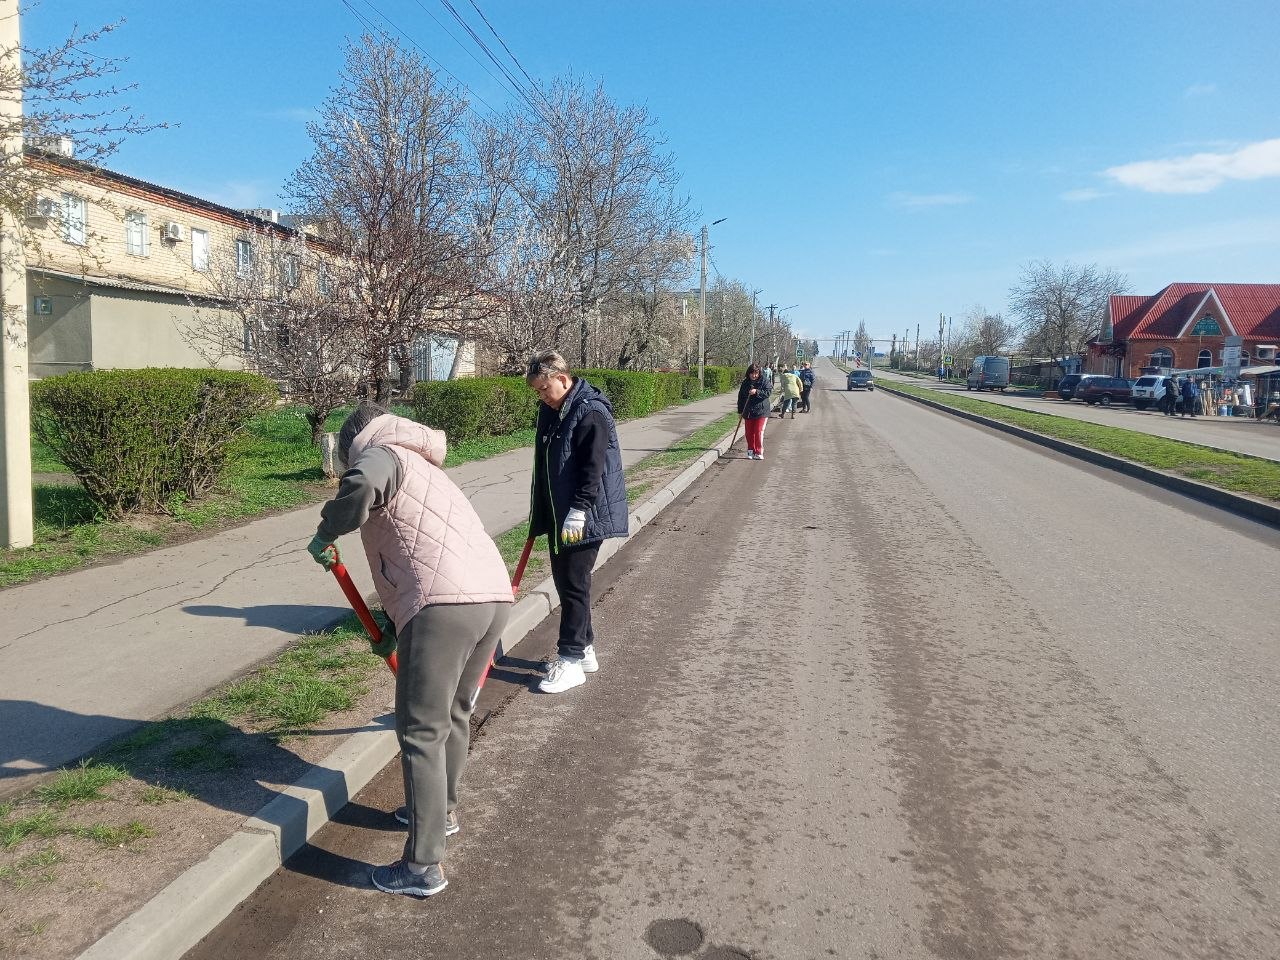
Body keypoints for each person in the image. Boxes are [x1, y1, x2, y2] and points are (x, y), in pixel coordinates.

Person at [307, 401, 513, 899]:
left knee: (421, 731)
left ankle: (422, 866)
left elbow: (360, 486)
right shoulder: (423, 463)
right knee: (456, 713)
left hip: (442, 604)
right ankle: (443, 813)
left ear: (356, 438)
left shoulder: (382, 454)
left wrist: (327, 529)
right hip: (492, 597)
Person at [526, 351, 628, 694]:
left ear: (563, 379)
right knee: (570, 582)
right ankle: (584, 651)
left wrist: (579, 509)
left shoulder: (590, 411)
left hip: (583, 515)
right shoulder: (556, 410)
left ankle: (570, 660)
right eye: (538, 392)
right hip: (563, 513)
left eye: (544, 389)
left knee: (572, 584)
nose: (542, 396)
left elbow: (593, 467)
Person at [737, 364, 772, 460]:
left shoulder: (764, 381)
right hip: (748, 411)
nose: (754, 375)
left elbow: (768, 393)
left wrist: (757, 391)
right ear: (748, 374)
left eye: (756, 373)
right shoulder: (745, 383)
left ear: (759, 373)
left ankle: (759, 451)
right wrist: (740, 412)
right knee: (749, 432)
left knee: (758, 431)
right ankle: (750, 450)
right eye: (752, 373)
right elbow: (740, 398)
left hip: (761, 411)